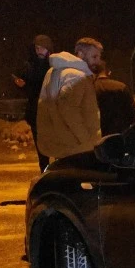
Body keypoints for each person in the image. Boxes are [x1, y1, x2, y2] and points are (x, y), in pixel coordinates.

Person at [36, 37, 102, 162]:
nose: (98, 61)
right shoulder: (76, 76)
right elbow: (69, 111)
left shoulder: (53, 71)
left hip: (60, 142)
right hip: (75, 147)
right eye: (94, 57)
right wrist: (87, 141)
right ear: (81, 54)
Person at [12, 34, 53, 170]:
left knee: (56, 144)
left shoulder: (54, 65)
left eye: (43, 48)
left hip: (52, 111)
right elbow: (28, 88)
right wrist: (21, 85)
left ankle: (57, 172)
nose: (39, 51)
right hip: (36, 111)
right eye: (37, 48)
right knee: (41, 148)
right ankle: (45, 172)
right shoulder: (28, 66)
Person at [93, 60, 135, 136]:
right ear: (108, 72)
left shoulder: (91, 89)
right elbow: (133, 115)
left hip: (98, 136)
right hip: (119, 135)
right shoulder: (121, 87)